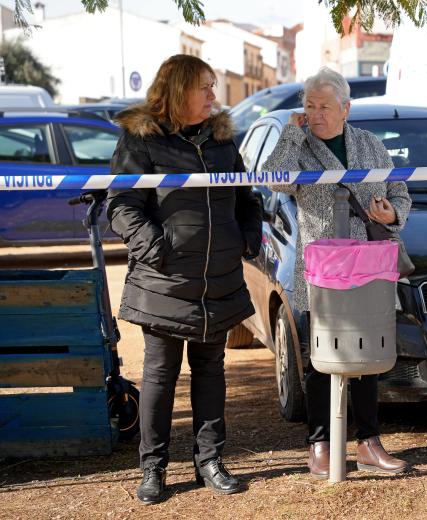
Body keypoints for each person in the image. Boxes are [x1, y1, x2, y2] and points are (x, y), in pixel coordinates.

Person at [107, 54, 263, 503]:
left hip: (219, 280)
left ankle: (209, 460)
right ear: (179, 90)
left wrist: (247, 238)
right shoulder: (142, 139)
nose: (214, 95)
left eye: (214, 85)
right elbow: (121, 205)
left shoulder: (222, 141)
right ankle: (153, 468)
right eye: (205, 87)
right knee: (160, 375)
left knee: (211, 372)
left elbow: (246, 198)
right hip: (165, 283)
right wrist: (158, 250)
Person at [262, 67, 412, 479]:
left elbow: (400, 192)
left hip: (367, 266)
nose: (316, 113)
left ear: (346, 108)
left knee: (366, 353)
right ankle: (321, 444)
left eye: (324, 106)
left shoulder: (369, 144)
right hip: (323, 268)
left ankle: (368, 443)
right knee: (319, 358)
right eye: (309, 105)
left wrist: (392, 213)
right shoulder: (300, 144)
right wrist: (290, 134)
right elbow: (275, 179)